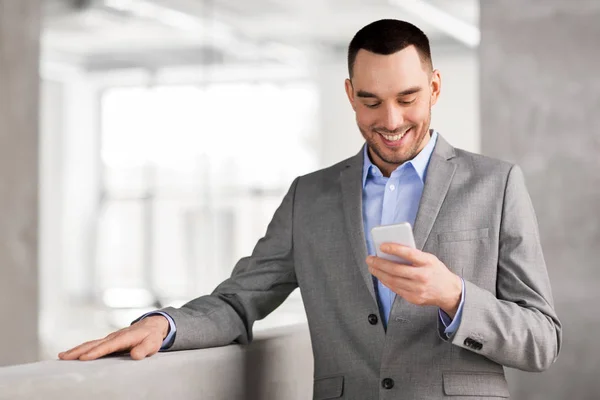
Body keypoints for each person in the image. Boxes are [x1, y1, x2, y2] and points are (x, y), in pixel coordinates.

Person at [59, 19, 562, 399]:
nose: (390, 120)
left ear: (434, 87)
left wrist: (454, 296)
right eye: (370, 102)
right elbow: (239, 301)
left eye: (407, 98)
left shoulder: (496, 184)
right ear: (349, 95)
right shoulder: (310, 196)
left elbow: (541, 340)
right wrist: (164, 326)